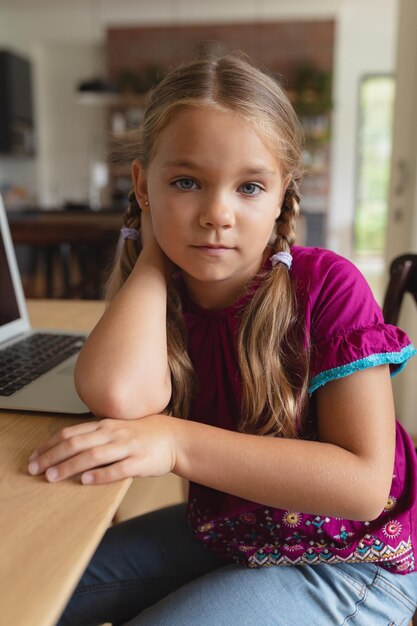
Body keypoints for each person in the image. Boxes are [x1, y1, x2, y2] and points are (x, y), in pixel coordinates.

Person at [28, 53, 417, 625]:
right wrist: (155, 253)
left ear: (284, 192)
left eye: (250, 187)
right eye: (185, 183)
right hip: (237, 527)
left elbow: (361, 485)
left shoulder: (328, 285)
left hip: (354, 559)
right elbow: (117, 395)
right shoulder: (162, 293)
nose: (216, 213)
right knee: (44, 584)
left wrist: (175, 443)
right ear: (142, 184)